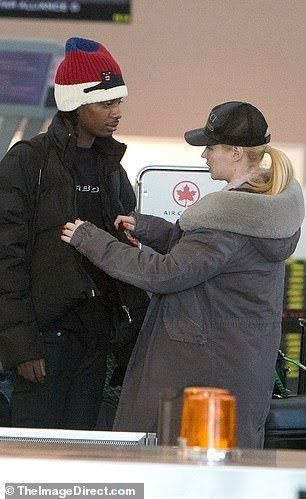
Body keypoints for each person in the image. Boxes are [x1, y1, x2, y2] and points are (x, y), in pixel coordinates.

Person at [61, 101, 304, 447]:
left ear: (235, 152)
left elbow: (165, 274)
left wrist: (91, 240)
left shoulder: (229, 224)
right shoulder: (262, 208)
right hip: (237, 367)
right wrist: (149, 229)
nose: (205, 155)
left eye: (211, 146)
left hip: (202, 374)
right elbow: (206, 258)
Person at [0, 37, 148, 429]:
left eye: (118, 102)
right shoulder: (27, 162)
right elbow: (6, 258)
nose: (116, 112)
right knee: (36, 464)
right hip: (43, 341)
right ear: (75, 104)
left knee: (84, 454)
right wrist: (20, 346)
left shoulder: (112, 168)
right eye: (106, 103)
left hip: (96, 339)